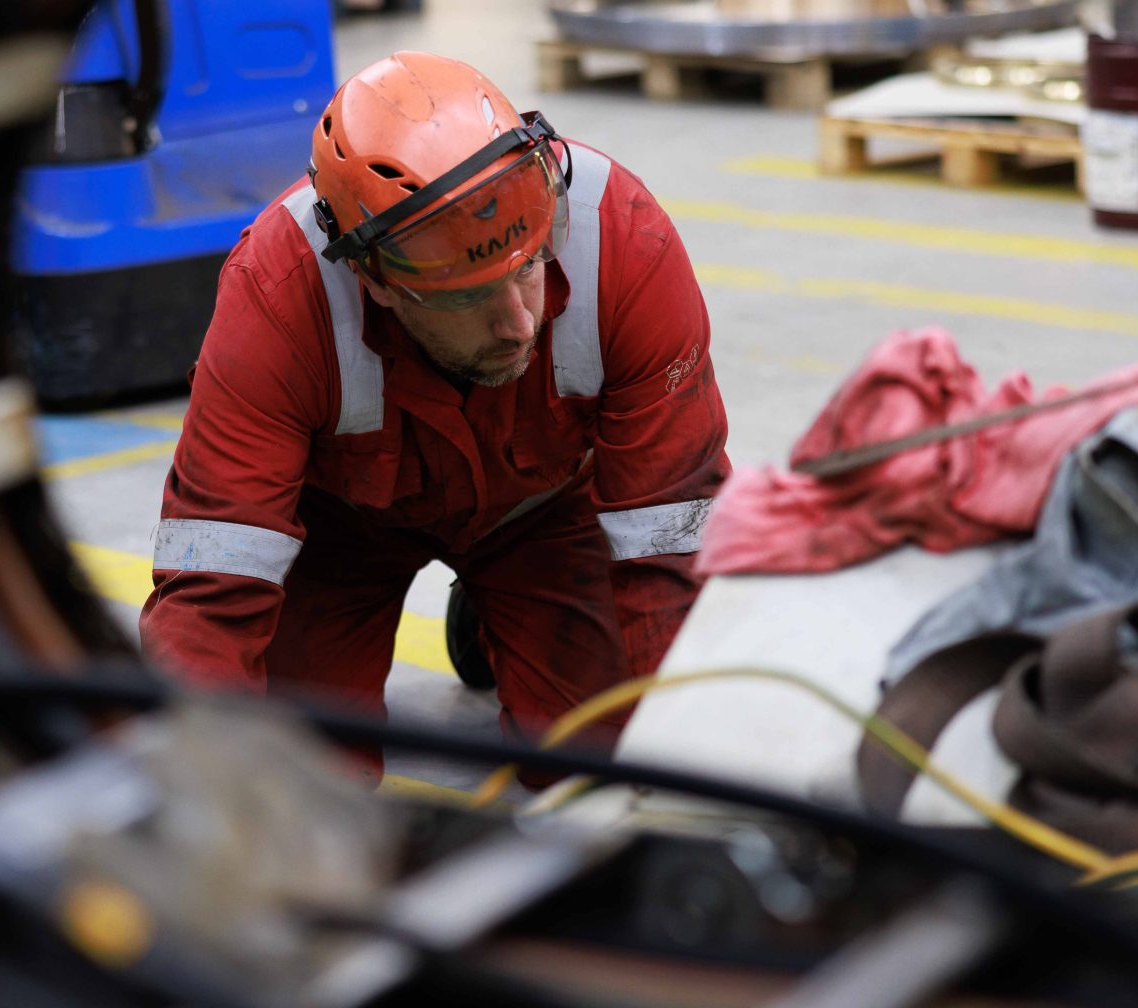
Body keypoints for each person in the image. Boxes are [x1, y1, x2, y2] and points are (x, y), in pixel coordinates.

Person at [139, 51, 730, 777]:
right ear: (374, 278)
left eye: (529, 263)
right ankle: (494, 610)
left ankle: (500, 609)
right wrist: (199, 782)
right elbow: (213, 584)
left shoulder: (624, 241)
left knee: (595, 766)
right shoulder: (276, 295)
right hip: (338, 531)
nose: (520, 322)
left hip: (543, 515)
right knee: (308, 781)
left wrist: (685, 757)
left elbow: (673, 540)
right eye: (468, 296)